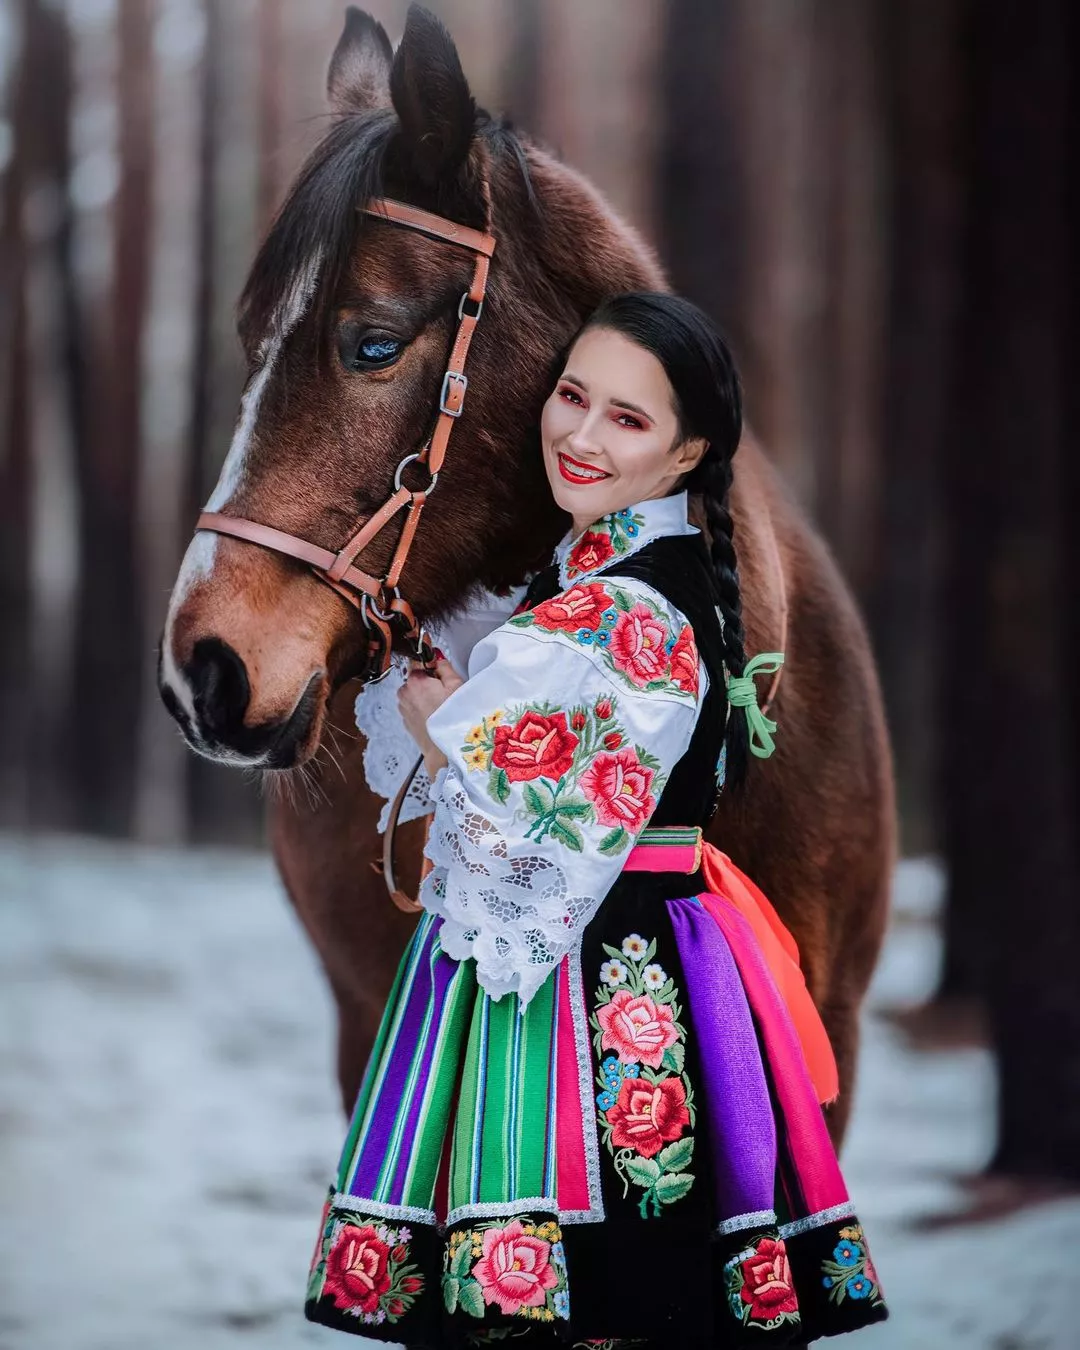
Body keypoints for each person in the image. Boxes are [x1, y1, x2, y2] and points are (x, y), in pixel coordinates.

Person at [304, 293, 887, 1348]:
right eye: (573, 397)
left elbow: (546, 837)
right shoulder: (590, 585)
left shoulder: (624, 611)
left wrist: (449, 737)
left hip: (609, 981)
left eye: (627, 418)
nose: (578, 435)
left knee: (605, 1278)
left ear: (687, 452)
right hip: (637, 951)